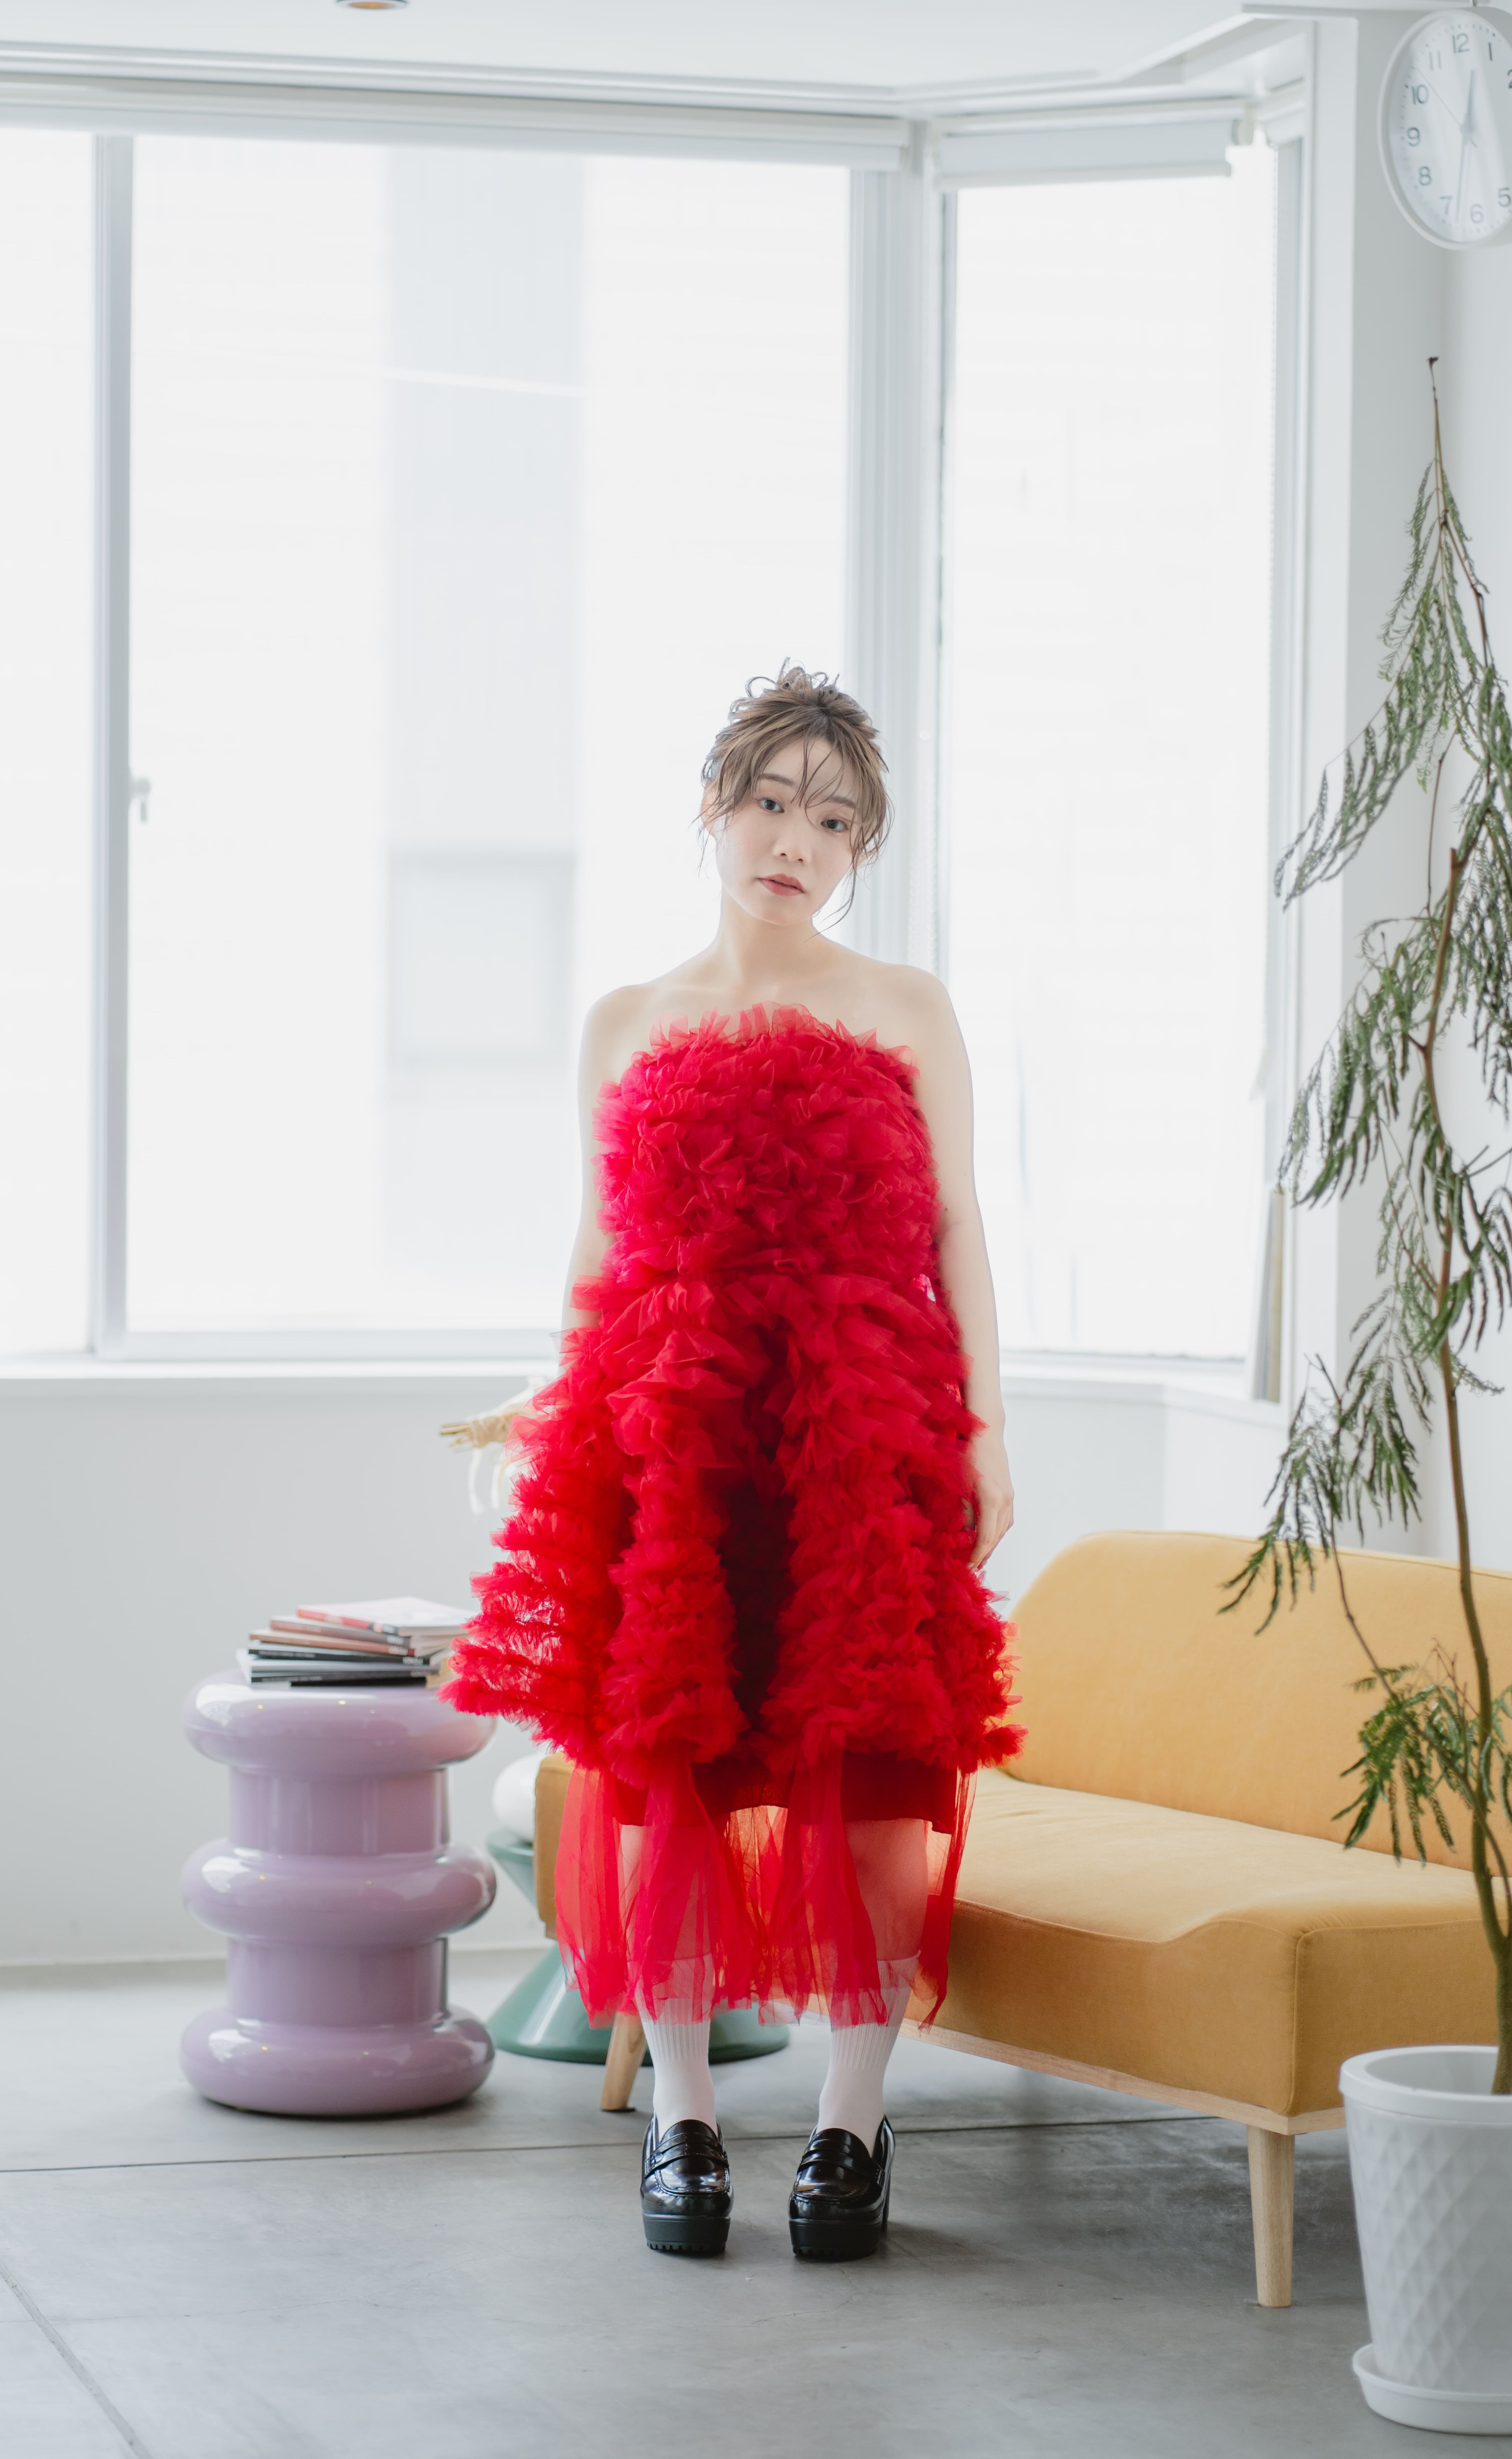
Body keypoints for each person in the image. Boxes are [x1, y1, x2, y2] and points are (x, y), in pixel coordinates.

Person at [444, 665, 1020, 2261]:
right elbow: (599, 1242)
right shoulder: (625, 1020)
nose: (794, 845)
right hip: (677, 1440)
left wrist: (984, 1422)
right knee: (665, 1776)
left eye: (832, 823)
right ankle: (682, 2121)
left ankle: (851, 2129)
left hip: (860, 1431)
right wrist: (569, 1411)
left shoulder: (904, 1005)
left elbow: (958, 1225)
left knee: (871, 1773)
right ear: (713, 805)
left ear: (858, 849)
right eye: (770, 804)